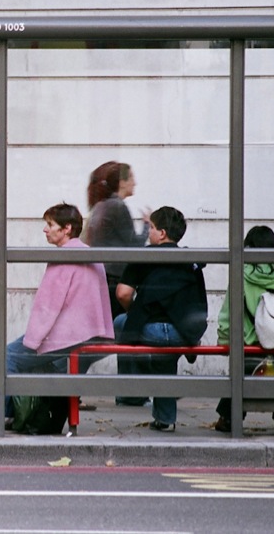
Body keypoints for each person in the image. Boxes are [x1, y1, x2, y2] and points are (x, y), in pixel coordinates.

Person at [0, 203, 115, 434]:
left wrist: (34, 341)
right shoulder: (91, 254)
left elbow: (48, 307)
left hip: (64, 339)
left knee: (8, 355)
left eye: (50, 225)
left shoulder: (62, 257)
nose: (45, 230)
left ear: (67, 229)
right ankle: (13, 416)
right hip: (92, 337)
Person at [114, 206, 208, 433]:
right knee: (166, 358)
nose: (149, 232)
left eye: (152, 228)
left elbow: (123, 293)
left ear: (162, 233)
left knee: (120, 324)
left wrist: (134, 312)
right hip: (181, 331)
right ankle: (165, 418)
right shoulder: (190, 260)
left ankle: (134, 387)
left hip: (150, 329)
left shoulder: (144, 256)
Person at [213, 226, 274, 433]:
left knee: (241, 376)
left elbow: (229, 311)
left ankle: (231, 417)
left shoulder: (241, 272)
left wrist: (224, 338)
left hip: (252, 341)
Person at [85, 161, 150, 406]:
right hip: (114, 281)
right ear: (121, 182)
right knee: (113, 336)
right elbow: (133, 246)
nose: (135, 182)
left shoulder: (103, 205)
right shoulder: (117, 206)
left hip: (104, 279)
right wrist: (147, 226)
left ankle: (129, 392)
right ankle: (130, 392)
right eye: (131, 177)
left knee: (118, 334)